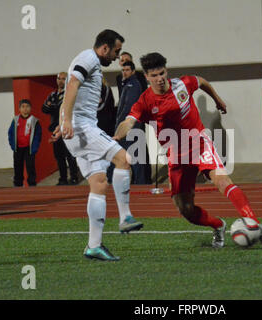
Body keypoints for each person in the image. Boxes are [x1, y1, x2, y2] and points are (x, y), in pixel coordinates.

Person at [113, 52, 262, 248]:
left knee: (222, 180)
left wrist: (217, 99)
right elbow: (128, 122)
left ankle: (254, 224)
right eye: (154, 76)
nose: (159, 78)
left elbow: (201, 81)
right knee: (185, 209)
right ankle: (218, 225)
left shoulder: (183, 84)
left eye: (162, 73)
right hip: (176, 154)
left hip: (199, 142)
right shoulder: (144, 101)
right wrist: (119, 135)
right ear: (146, 77)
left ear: (166, 71)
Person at [51, 29, 143, 262]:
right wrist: (69, 120)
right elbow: (71, 84)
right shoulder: (89, 58)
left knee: (99, 184)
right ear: (104, 48)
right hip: (82, 128)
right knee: (123, 158)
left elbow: (73, 92)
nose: (117, 56)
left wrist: (63, 121)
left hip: (77, 129)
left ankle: (94, 246)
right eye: (116, 51)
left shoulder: (90, 61)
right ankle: (125, 218)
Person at [111, 60, 152, 184]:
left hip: (130, 128)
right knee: (134, 158)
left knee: (135, 159)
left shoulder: (133, 85)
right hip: (129, 127)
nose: (125, 72)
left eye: (127, 70)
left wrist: (121, 126)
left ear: (133, 71)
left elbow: (129, 108)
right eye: (123, 70)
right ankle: (139, 182)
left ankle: (140, 184)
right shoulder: (127, 84)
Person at [42, 72, 79, 185]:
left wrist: (52, 106)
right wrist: (54, 106)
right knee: (59, 156)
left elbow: (60, 107)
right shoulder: (52, 95)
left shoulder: (69, 94)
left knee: (70, 154)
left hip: (67, 128)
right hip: (54, 129)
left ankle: (74, 177)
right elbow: (44, 108)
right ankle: (63, 178)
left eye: (63, 79)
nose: (61, 81)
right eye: (59, 78)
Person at [8, 99, 42, 187]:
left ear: (30, 108)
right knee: (17, 166)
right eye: (23, 107)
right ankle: (18, 183)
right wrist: (12, 145)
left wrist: (35, 147)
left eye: (27, 107)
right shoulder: (15, 120)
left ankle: (32, 183)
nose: (25, 109)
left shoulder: (34, 121)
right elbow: (10, 133)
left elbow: (38, 135)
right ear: (19, 109)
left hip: (29, 148)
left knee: (30, 166)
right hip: (18, 148)